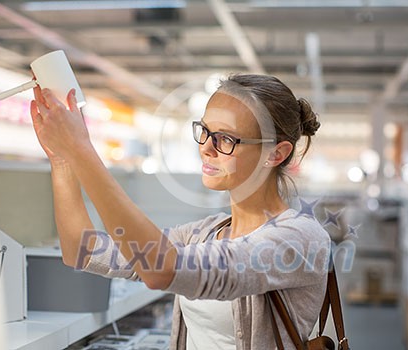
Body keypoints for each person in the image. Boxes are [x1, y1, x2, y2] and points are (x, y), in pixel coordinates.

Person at [30, 74, 331, 350]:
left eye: (226, 138)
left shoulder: (300, 239)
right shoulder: (205, 233)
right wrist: (63, 159)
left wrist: (82, 151)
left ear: (277, 154)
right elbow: (82, 250)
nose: (206, 148)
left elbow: (161, 270)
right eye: (205, 131)